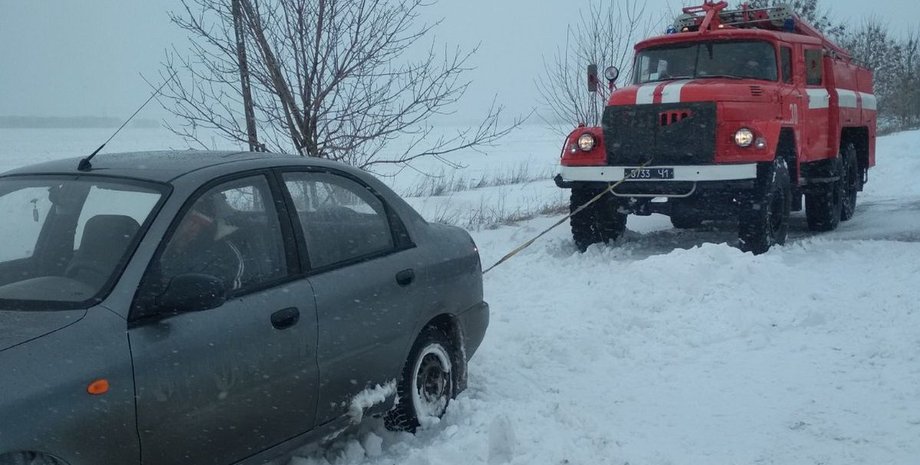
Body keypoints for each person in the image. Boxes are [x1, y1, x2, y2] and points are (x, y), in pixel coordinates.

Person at [159, 192, 245, 292]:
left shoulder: (224, 254)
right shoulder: (157, 243)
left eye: (200, 225)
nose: (193, 229)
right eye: (191, 221)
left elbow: (228, 295)